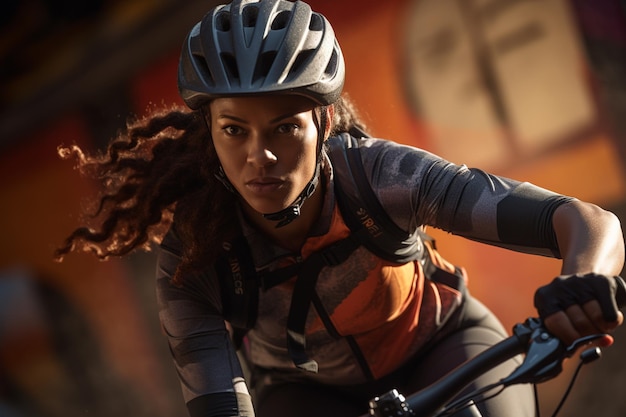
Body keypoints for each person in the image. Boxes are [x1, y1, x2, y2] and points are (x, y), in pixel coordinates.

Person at [55, 0, 626, 416]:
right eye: (234, 130)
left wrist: (582, 280)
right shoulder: (194, 257)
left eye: (286, 128)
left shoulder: (383, 179)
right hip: (306, 395)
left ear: (324, 123)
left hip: (444, 350)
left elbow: (587, 223)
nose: (262, 157)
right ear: (209, 132)